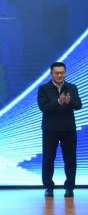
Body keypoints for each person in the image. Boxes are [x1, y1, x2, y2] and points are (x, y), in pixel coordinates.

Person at [38, 61, 82, 197]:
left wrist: (69, 101)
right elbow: (43, 107)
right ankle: (48, 187)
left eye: (62, 73)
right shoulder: (44, 89)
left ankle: (69, 187)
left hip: (68, 129)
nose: (59, 75)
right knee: (48, 159)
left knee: (70, 159)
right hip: (50, 129)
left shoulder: (72, 87)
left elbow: (78, 105)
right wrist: (58, 101)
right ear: (51, 74)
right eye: (56, 73)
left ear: (65, 73)